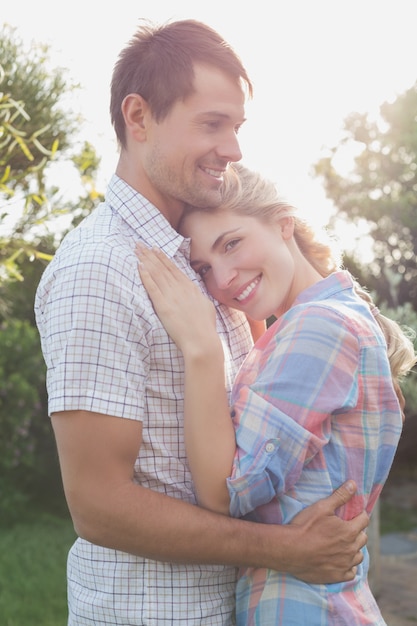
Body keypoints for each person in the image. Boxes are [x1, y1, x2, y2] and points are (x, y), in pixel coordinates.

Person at [34, 19, 369, 626]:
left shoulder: (206, 260)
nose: (234, 149)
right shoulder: (98, 269)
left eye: (236, 128)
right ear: (139, 119)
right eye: (212, 124)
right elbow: (98, 505)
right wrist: (287, 550)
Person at [136, 163, 417, 625]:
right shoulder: (328, 318)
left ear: (283, 223)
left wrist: (202, 349)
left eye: (232, 243)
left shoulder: (319, 327)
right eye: (204, 268)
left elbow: (229, 492)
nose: (223, 279)